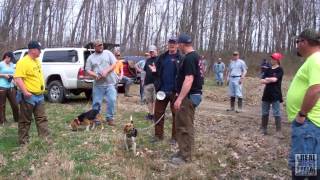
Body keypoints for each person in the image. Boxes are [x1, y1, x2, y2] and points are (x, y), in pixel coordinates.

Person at [286, 29, 320, 178]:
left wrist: (302, 114)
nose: (296, 45)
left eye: (297, 42)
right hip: (310, 124)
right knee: (312, 170)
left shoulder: (315, 59)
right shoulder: (314, 59)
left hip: (308, 124)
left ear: (304, 42)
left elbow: (316, 89)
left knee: (303, 173)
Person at [171, 33, 204, 165]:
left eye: (179, 44)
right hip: (190, 95)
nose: (177, 46)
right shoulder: (196, 56)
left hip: (188, 97)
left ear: (183, 44)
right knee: (181, 125)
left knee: (185, 126)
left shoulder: (190, 58)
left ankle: (186, 157)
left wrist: (179, 99)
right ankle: (182, 151)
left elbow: (189, 79)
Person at [14, 41, 50, 145]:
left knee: (42, 118)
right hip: (29, 96)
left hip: (40, 96)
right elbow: (18, 78)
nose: (40, 52)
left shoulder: (36, 61)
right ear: (33, 50)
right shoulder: (23, 62)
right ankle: (23, 142)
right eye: (39, 50)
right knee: (25, 120)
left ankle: (45, 139)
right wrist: (25, 92)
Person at [148, 36, 183, 143]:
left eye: (174, 43)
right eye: (170, 43)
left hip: (175, 92)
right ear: (168, 44)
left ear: (177, 45)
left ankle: (175, 138)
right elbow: (157, 73)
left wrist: (180, 91)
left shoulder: (181, 58)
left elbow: (183, 75)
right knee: (158, 113)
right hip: (162, 91)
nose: (172, 45)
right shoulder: (162, 57)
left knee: (176, 115)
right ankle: (158, 136)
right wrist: (154, 71)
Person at [85, 39, 118, 126]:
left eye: (101, 45)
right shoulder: (91, 58)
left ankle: (110, 118)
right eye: (98, 45)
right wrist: (95, 75)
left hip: (110, 83)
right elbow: (88, 70)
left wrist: (106, 71)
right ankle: (96, 119)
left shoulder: (108, 53)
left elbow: (114, 64)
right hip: (98, 85)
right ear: (94, 47)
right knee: (96, 103)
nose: (101, 46)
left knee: (112, 100)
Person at [260, 52, 284, 136]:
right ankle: (263, 129)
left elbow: (275, 80)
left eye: (273, 58)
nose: (272, 60)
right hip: (266, 93)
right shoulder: (268, 69)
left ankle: (278, 131)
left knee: (277, 112)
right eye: (272, 58)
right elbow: (261, 80)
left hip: (275, 94)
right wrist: (268, 79)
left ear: (277, 60)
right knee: (264, 112)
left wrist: (267, 79)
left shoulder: (280, 69)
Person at [0, 51, 19, 124]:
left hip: (11, 86)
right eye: (10, 59)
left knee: (15, 103)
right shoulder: (1, 64)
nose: (11, 61)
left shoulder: (12, 65)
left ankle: (17, 119)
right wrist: (4, 75)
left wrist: (14, 79)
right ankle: (2, 121)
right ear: (7, 57)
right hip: (2, 86)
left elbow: (14, 74)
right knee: (2, 105)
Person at [143, 45, 158, 121]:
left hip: (156, 83)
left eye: (153, 51)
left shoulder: (160, 59)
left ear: (156, 51)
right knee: (148, 100)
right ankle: (151, 114)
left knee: (155, 99)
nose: (151, 53)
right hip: (147, 83)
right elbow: (145, 71)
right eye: (150, 52)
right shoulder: (148, 60)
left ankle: (155, 115)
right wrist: (143, 81)